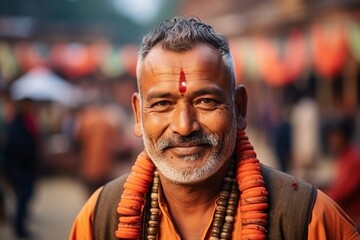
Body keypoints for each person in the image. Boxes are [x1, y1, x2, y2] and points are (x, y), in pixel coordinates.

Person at [70, 16, 359, 239]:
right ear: (137, 114)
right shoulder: (100, 219)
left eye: (206, 101)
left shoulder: (307, 219)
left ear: (240, 108)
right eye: (162, 104)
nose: (184, 127)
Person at [4, 98, 40, 238]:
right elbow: (18, 147)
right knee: (22, 197)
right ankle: (19, 228)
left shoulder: (27, 121)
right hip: (19, 168)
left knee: (25, 196)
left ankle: (21, 224)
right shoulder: (16, 124)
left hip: (25, 168)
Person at [323, 117, 360, 230]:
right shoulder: (341, 158)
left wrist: (316, 198)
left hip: (352, 223)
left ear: (344, 137)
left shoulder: (353, 160)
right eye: (330, 136)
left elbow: (340, 193)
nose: (331, 140)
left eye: (335, 136)